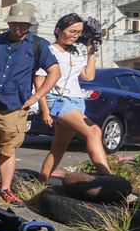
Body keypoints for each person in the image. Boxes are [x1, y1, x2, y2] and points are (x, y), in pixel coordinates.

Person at [0, 2, 61, 204]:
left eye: (23, 24)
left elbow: (54, 72)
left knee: (8, 150)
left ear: (30, 25)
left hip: (15, 107)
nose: (18, 28)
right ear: (9, 23)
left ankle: (5, 189)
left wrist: (36, 97)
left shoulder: (38, 45)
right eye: (14, 24)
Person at [37, 15, 110, 182]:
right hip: (56, 98)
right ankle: (107, 177)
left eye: (78, 32)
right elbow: (39, 80)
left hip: (77, 100)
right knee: (94, 131)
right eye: (71, 31)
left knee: (59, 147)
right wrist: (45, 109)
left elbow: (88, 76)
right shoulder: (49, 50)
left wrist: (91, 51)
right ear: (58, 31)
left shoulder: (77, 51)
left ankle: (40, 182)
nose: (75, 35)